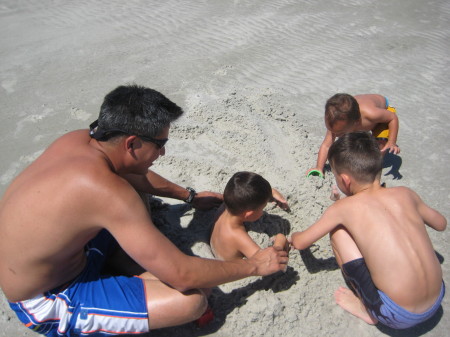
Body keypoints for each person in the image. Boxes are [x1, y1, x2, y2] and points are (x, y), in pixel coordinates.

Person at [0, 85, 289, 337]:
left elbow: (135, 174)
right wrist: (255, 265)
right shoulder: (107, 193)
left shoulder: (79, 139)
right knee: (192, 300)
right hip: (47, 298)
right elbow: (184, 275)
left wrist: (189, 196)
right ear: (132, 143)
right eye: (160, 144)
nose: (162, 153)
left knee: (136, 190)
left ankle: (119, 275)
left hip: (68, 255)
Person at [292, 132, 446, 329]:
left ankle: (366, 306)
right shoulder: (406, 194)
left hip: (396, 314)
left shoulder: (342, 208)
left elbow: (300, 243)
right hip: (437, 298)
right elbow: (441, 224)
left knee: (338, 232)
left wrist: (294, 235)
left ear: (345, 181)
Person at [307, 93, 400, 177]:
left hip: (384, 111)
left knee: (381, 144)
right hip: (358, 109)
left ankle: (374, 167)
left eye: (341, 132)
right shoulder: (336, 123)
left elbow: (392, 118)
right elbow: (326, 145)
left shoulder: (371, 114)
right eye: (332, 130)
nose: (336, 135)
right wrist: (319, 167)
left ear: (356, 122)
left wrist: (392, 142)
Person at [210, 171, 290, 261]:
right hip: (232, 268)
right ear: (249, 214)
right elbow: (267, 261)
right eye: (262, 208)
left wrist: (269, 192)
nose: (262, 211)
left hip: (216, 249)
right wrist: (280, 240)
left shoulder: (225, 206)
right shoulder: (238, 236)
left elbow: (243, 190)